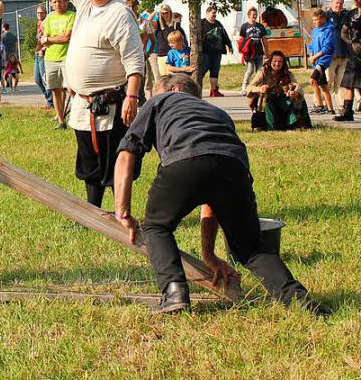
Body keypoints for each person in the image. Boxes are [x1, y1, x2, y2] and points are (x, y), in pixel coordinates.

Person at [114, 73, 328, 316]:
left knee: (156, 227)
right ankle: (299, 301)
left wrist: (123, 212)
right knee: (251, 246)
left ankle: (174, 293)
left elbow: (126, 155)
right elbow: (212, 192)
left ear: (172, 90)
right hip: (234, 167)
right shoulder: (216, 113)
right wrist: (209, 255)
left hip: (183, 160)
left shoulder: (159, 102)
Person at [37, 0, 144, 208]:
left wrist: (132, 100)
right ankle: (94, 213)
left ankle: (122, 213)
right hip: (84, 104)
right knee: (89, 164)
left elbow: (135, 62)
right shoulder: (84, 1)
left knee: (115, 163)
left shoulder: (120, 14)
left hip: (112, 104)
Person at [246, 50, 311, 131]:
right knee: (269, 105)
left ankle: (297, 125)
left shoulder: (287, 73)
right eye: (275, 61)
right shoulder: (263, 72)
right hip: (267, 100)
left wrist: (295, 92)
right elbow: (249, 87)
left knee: (299, 101)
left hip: (282, 99)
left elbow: (297, 85)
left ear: (283, 63)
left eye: (280, 61)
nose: (277, 64)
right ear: (270, 62)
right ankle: (267, 126)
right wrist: (260, 88)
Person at [41, 0, 75, 128]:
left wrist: (49, 39)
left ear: (65, 1)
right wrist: (51, 39)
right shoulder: (49, 18)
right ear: (51, 3)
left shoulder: (72, 15)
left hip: (67, 57)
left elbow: (67, 37)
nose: (57, 4)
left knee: (71, 89)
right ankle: (61, 121)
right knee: (55, 90)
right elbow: (44, 39)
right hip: (51, 58)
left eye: (60, 1)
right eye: (54, 2)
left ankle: (76, 118)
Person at [334, 0, 361, 122]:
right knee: (348, 83)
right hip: (353, 54)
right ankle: (347, 112)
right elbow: (344, 32)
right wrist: (351, 43)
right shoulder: (351, 14)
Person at [198, 4, 233, 97]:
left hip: (217, 52)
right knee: (201, 71)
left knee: (215, 72)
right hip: (205, 52)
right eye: (212, 13)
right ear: (207, 13)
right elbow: (195, 37)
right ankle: (196, 90)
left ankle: (214, 91)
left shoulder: (218, 24)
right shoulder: (201, 23)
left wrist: (229, 46)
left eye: (215, 13)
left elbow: (224, 35)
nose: (214, 15)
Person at [307, 7, 335, 115]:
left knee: (313, 81)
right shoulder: (315, 30)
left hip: (323, 60)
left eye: (316, 20)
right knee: (323, 84)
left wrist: (316, 57)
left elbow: (327, 48)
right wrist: (312, 55)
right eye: (313, 20)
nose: (314, 22)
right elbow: (313, 45)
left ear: (323, 19)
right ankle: (330, 108)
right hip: (316, 60)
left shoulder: (329, 30)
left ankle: (320, 106)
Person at [326, 0, 349, 112]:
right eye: (336, 3)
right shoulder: (326, 16)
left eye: (340, 3)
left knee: (341, 82)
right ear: (331, 3)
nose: (338, 5)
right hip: (330, 54)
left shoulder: (346, 15)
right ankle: (322, 103)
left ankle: (341, 106)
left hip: (344, 53)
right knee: (328, 80)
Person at [238, 7, 268, 96]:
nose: (254, 16)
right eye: (252, 15)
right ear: (249, 16)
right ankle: (244, 87)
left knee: (259, 71)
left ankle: (257, 88)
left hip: (259, 51)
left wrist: (267, 51)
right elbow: (241, 40)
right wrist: (242, 51)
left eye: (255, 14)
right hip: (249, 52)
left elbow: (264, 39)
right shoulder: (244, 26)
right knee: (250, 69)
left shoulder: (260, 26)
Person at [152, 5, 185, 79]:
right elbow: (147, 21)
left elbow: (182, 39)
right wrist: (155, 12)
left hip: (173, 54)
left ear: (170, 12)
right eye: (162, 13)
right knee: (163, 79)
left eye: (166, 12)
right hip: (161, 54)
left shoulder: (175, 25)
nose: (164, 15)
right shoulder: (158, 24)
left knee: (173, 79)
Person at [32, 5, 52, 108]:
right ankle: (48, 98)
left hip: (43, 54)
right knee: (37, 79)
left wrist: (43, 49)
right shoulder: (39, 23)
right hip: (37, 53)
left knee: (44, 79)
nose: (39, 15)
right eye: (38, 13)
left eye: (41, 12)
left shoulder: (47, 23)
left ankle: (50, 102)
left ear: (45, 13)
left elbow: (51, 38)